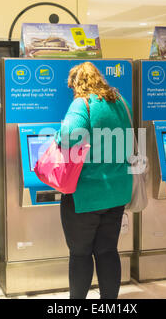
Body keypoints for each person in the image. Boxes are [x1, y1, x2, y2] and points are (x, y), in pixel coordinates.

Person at [56, 62, 133, 299]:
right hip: (118, 192)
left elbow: (69, 137)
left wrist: (58, 133)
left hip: (86, 194)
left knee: (80, 253)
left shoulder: (82, 103)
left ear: (77, 85)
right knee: (108, 250)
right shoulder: (120, 103)